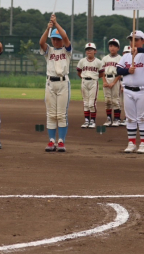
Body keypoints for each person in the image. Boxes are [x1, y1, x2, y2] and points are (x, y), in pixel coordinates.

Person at [116, 30, 144, 154]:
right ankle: (131, 143)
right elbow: (118, 70)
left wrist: (139, 50)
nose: (133, 42)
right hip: (128, 90)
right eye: (131, 39)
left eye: (136, 39)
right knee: (130, 118)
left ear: (142, 41)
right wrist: (128, 70)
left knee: (143, 118)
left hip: (143, 91)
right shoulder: (126, 56)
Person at [39, 14, 72, 152]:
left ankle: (61, 141)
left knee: (61, 115)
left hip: (63, 83)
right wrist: (48, 29)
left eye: (57, 39)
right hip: (50, 83)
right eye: (53, 38)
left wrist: (56, 24)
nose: (55, 41)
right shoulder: (49, 51)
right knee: (51, 114)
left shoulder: (67, 50)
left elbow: (65, 37)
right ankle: (52, 141)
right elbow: (41, 43)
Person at [77, 43, 105, 129]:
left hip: (93, 82)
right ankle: (86, 121)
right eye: (87, 49)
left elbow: (101, 73)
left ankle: (92, 121)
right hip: (84, 81)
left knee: (92, 103)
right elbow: (79, 72)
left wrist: (95, 78)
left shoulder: (98, 62)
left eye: (91, 49)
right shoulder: (82, 61)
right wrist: (83, 78)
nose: (89, 51)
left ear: (95, 51)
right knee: (85, 102)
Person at [101, 38, 122, 127]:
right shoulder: (105, 58)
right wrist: (104, 81)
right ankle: (109, 119)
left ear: (118, 48)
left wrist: (114, 82)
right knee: (107, 100)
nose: (112, 48)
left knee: (115, 100)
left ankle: (117, 119)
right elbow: (102, 71)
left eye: (114, 46)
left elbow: (120, 73)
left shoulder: (120, 58)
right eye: (110, 46)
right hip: (107, 78)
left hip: (115, 79)